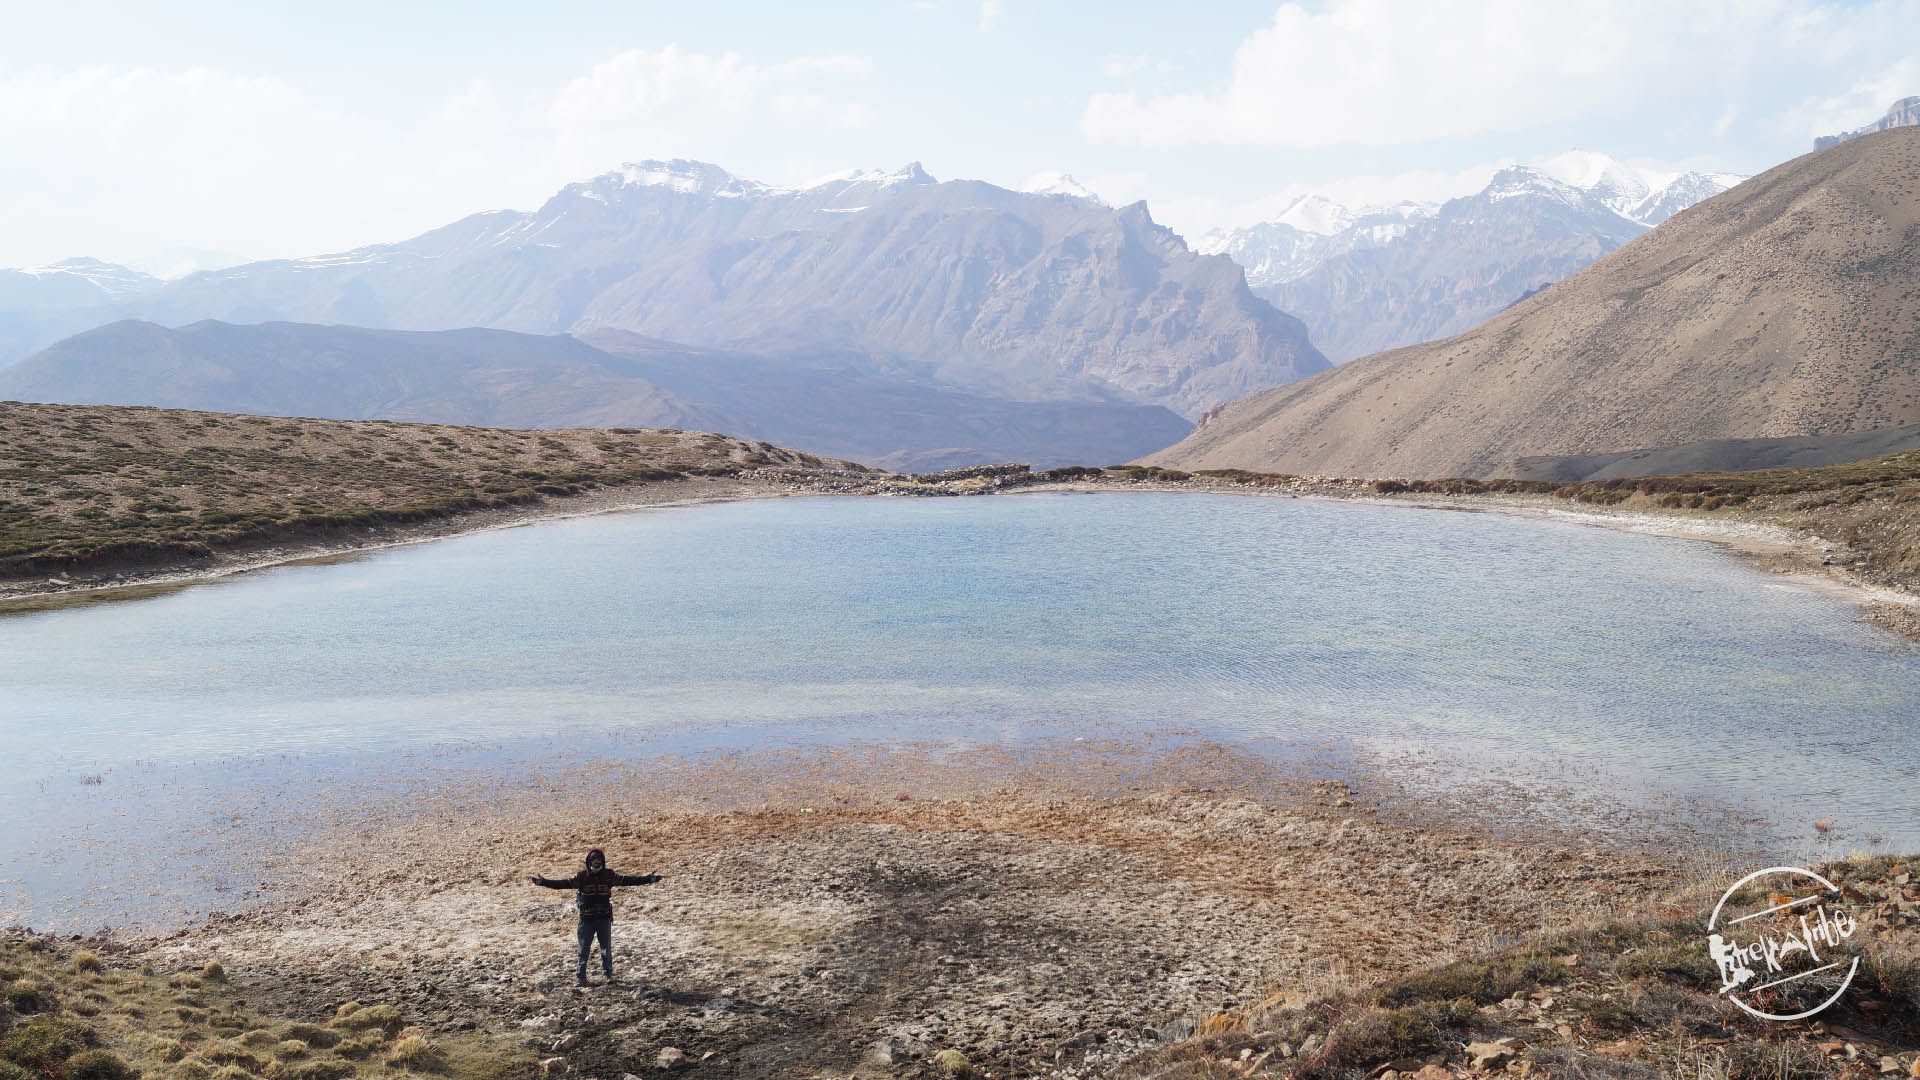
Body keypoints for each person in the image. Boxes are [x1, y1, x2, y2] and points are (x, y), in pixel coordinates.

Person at [530, 848, 661, 986]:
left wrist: (648, 879)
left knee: (606, 948)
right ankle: (581, 977)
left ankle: (607, 976)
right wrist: (544, 882)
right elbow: (562, 884)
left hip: (604, 918)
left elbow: (629, 880)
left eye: (599, 861)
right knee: (583, 949)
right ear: (589, 861)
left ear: (603, 862)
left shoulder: (609, 876)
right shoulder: (581, 877)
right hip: (586, 920)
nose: (596, 863)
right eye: (594, 860)